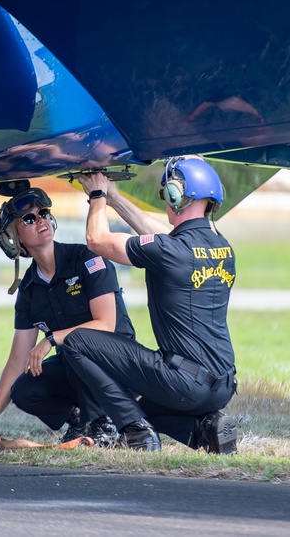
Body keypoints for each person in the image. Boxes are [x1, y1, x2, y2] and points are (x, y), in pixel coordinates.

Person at [63, 157, 238, 453]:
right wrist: (115, 197)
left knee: (76, 341)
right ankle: (206, 429)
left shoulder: (169, 250)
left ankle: (137, 433)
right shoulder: (222, 248)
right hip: (222, 385)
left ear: (175, 196)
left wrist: (97, 195)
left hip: (185, 383)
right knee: (142, 408)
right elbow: (164, 238)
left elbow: (97, 240)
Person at [0, 186, 136, 445]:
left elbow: (105, 324)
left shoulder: (86, 259)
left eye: (44, 213)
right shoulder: (29, 288)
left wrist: (50, 339)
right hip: (78, 369)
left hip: (120, 367)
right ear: (15, 237)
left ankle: (106, 423)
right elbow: (18, 359)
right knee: (24, 389)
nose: (41, 220)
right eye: (29, 219)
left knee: (72, 348)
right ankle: (80, 421)